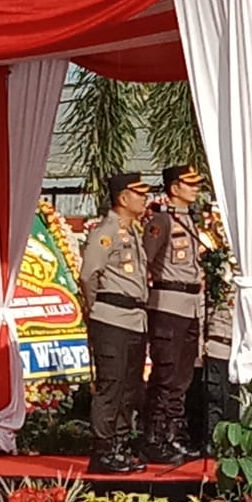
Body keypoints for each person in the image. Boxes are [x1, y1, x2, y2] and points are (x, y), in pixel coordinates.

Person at [80, 172, 152, 473]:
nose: (144, 198)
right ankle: (103, 449)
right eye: (139, 194)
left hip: (136, 318)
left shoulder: (133, 232)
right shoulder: (105, 232)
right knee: (111, 385)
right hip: (111, 317)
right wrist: (97, 307)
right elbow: (88, 276)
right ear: (123, 198)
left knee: (130, 387)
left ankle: (121, 445)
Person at [142, 164, 205, 464]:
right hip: (167, 303)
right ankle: (155, 437)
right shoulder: (161, 221)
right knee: (166, 375)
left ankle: (173, 433)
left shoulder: (191, 221)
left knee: (182, 376)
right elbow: (145, 261)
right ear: (173, 187)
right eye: (189, 184)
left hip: (190, 304)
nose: (195, 188)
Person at [200, 290, 239, 453]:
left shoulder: (246, 290)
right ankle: (212, 440)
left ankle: (230, 442)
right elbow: (202, 317)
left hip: (237, 353)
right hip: (217, 349)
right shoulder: (217, 289)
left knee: (233, 400)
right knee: (215, 397)